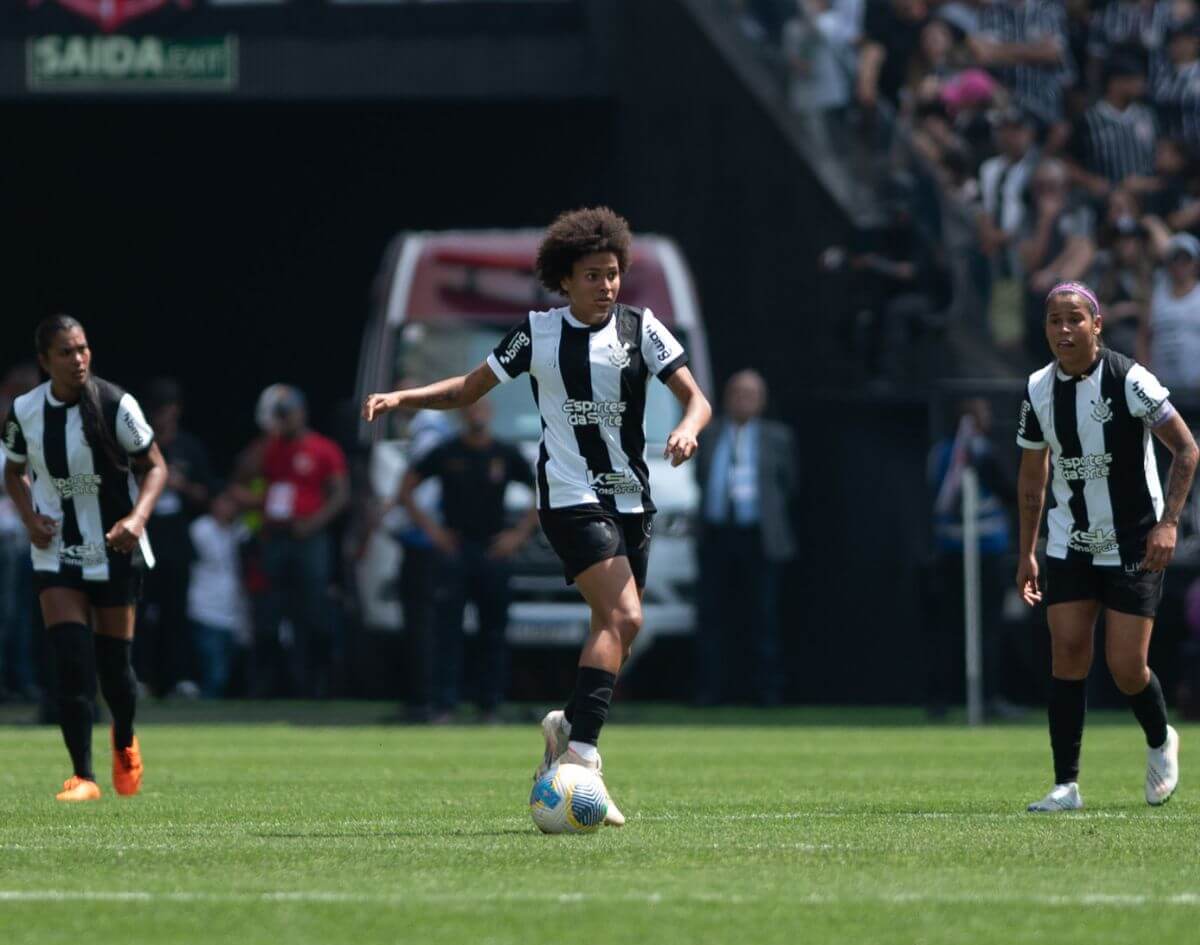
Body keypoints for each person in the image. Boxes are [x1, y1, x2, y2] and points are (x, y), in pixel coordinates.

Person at [363, 207, 711, 826]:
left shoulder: (643, 328)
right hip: (569, 496)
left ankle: (565, 726)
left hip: (631, 498)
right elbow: (469, 389)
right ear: (566, 280)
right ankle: (581, 758)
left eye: (613, 274)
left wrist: (685, 430)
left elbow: (696, 400)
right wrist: (403, 397)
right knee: (623, 614)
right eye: (593, 275)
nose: (607, 285)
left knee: (621, 630)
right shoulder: (537, 333)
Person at [1015, 281, 1196, 811]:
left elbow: (1186, 450)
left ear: (1097, 325)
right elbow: (1032, 479)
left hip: (1135, 542)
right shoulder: (1037, 389)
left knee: (1125, 667)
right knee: (1067, 654)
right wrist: (1027, 550)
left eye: (1075, 319)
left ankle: (1162, 739)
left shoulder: (1130, 380)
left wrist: (1168, 524)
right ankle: (1065, 785)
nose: (1064, 330)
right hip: (1070, 540)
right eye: (1054, 320)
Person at [1, 315, 167, 801]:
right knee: (71, 663)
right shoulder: (25, 411)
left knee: (115, 671)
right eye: (66, 352)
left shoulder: (116, 403)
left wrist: (136, 520)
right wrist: (31, 520)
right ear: (44, 361)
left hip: (114, 548)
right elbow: (12, 472)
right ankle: (84, 777)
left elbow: (155, 466)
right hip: (58, 553)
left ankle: (124, 741)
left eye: (83, 349)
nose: (78, 360)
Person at [398, 398, 537, 722]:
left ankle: (489, 704)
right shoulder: (447, 451)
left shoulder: (504, 453)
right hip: (455, 549)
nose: (476, 414)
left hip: (493, 550)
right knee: (447, 628)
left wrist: (518, 535)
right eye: (470, 408)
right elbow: (406, 489)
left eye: (482, 408)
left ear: (490, 412)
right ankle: (444, 702)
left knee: (494, 630)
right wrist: (433, 531)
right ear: (462, 414)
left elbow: (543, 490)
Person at [693, 370, 798, 706]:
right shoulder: (709, 434)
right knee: (712, 614)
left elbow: (790, 486)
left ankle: (768, 691)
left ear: (763, 400)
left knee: (763, 617)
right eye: (738, 393)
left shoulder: (778, 437)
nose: (743, 400)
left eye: (751, 394)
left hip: (760, 537)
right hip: (717, 534)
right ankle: (710, 690)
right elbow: (699, 477)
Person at [244, 385, 349, 698]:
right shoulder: (270, 447)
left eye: (287, 415)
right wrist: (268, 433)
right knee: (270, 609)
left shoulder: (323, 448)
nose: (284, 421)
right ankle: (269, 684)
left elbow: (340, 495)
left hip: (308, 538)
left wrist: (313, 524)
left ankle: (315, 683)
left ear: (301, 413)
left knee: (313, 610)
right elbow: (245, 471)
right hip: (276, 536)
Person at [926, 398, 1020, 719]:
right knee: (953, 626)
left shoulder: (987, 454)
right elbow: (939, 499)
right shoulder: (946, 455)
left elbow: (1009, 492)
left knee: (988, 627)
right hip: (956, 551)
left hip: (988, 548)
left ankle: (989, 696)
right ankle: (942, 698)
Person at [137, 378, 212, 698]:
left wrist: (181, 485)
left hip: (177, 539)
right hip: (144, 536)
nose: (163, 417)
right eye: (158, 411)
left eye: (168, 410)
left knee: (176, 611)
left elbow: (206, 493)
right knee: (140, 612)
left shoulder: (188, 447)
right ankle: (138, 677)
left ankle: (179, 678)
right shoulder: (137, 445)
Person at [187, 489, 251, 699]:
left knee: (228, 668)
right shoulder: (200, 529)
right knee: (214, 669)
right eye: (225, 502)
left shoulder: (240, 531)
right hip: (205, 606)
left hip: (233, 608)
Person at [1138, 221, 1200, 391]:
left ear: (1195, 263)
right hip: (1163, 392)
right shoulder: (1156, 295)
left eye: (1185, 259)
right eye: (1175, 259)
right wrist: (1145, 378)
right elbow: (1143, 337)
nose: (1180, 265)